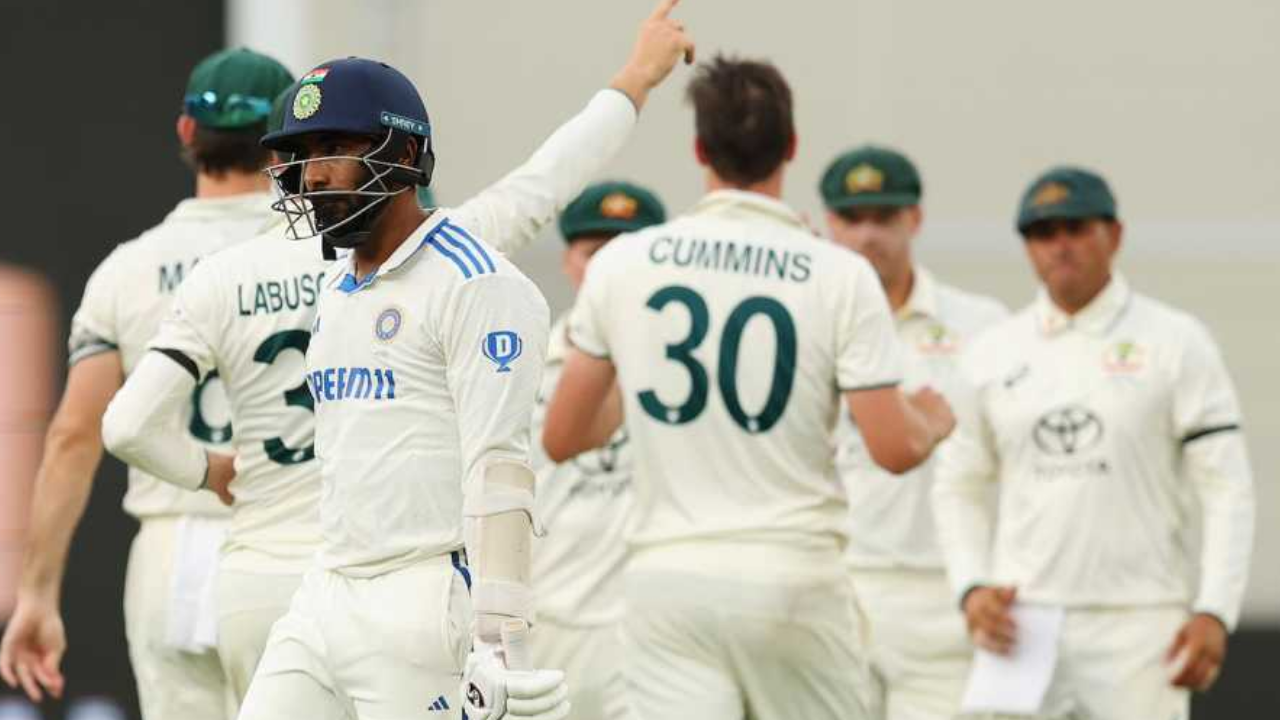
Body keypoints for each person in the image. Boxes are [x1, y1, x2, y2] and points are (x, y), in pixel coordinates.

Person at [100, 15, 691, 711]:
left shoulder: (474, 276)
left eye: (334, 147)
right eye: (302, 152)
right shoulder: (334, 282)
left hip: (422, 596)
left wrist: (500, 641)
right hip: (325, 582)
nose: (313, 173)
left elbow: (499, 468)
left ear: (404, 151)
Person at [542, 56, 955, 720]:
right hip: (792, 579)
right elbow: (892, 447)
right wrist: (932, 420)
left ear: (699, 149)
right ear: (791, 147)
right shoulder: (838, 272)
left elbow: (562, 437)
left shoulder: (622, 264)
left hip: (667, 583)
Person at [0, 48, 293, 720]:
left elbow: (76, 436)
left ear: (187, 133)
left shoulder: (129, 269)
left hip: (171, 554)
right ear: (284, 143)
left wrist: (39, 591)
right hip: (292, 540)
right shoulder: (327, 259)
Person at [932, 166, 1255, 720]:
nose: (1060, 246)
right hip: (1022, 621)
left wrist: (1215, 610)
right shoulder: (993, 352)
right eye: (1043, 233)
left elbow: (1227, 487)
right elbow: (956, 481)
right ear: (1027, 247)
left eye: (1076, 228)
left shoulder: (1175, 341)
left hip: (1140, 621)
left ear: (1115, 235)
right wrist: (971, 585)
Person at [818, 145, 1007, 720]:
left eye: (885, 218)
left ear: (915, 220)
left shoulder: (981, 325)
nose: (868, 235)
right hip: (834, 584)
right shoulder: (806, 320)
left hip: (940, 590)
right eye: (852, 219)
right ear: (830, 223)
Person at [529, 181, 667, 720]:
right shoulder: (530, 360)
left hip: (648, 629)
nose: (609, 271)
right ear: (569, 262)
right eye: (595, 253)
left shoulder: (683, 372)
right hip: (547, 627)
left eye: (626, 253)